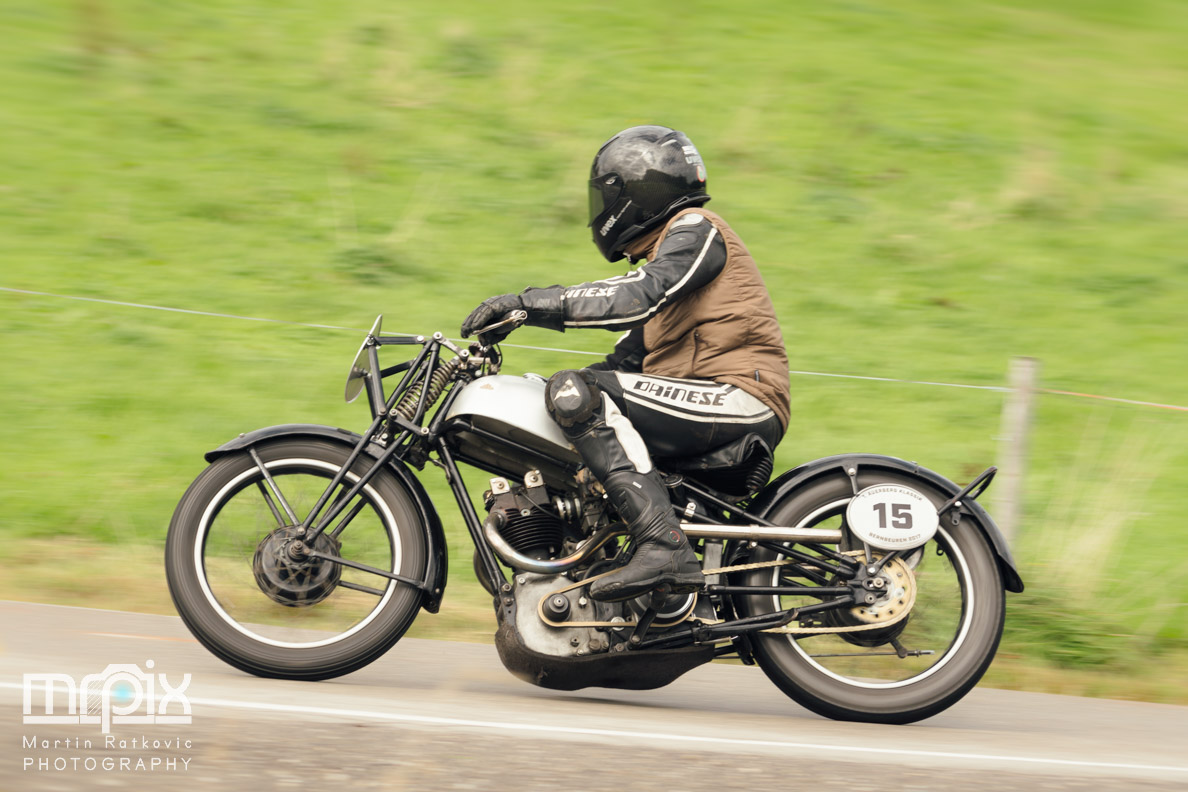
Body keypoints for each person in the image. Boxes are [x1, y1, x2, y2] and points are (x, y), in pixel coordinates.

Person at [461, 124, 790, 603]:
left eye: (604, 197)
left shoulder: (697, 231)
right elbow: (623, 362)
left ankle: (663, 548)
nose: (599, 213)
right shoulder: (671, 262)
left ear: (638, 191)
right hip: (705, 398)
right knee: (574, 393)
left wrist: (528, 304)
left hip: (739, 397)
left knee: (576, 390)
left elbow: (637, 296)